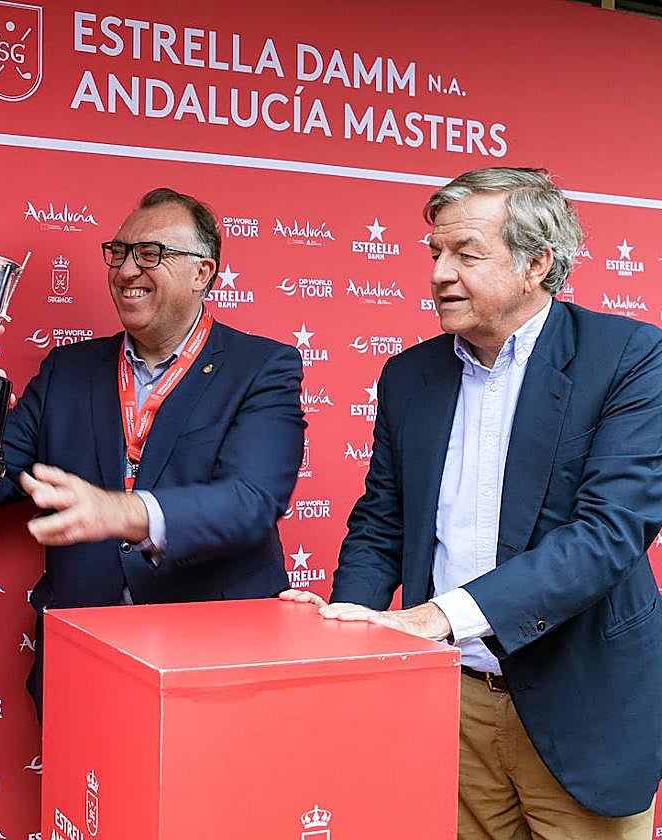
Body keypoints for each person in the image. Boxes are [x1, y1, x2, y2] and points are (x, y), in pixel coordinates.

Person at [283, 167, 662, 838]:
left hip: (581, 706)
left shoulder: (631, 357)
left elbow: (605, 535)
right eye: (434, 252)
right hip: (449, 706)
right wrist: (351, 627)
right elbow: (381, 521)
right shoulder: (409, 376)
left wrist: (434, 618)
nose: (439, 273)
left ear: (537, 264)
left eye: (465, 254)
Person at [0, 187, 305, 717]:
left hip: (214, 671)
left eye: (151, 254)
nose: (126, 271)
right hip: (83, 667)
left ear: (203, 273)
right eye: (118, 253)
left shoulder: (262, 367)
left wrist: (121, 511)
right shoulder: (68, 371)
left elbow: (251, 500)